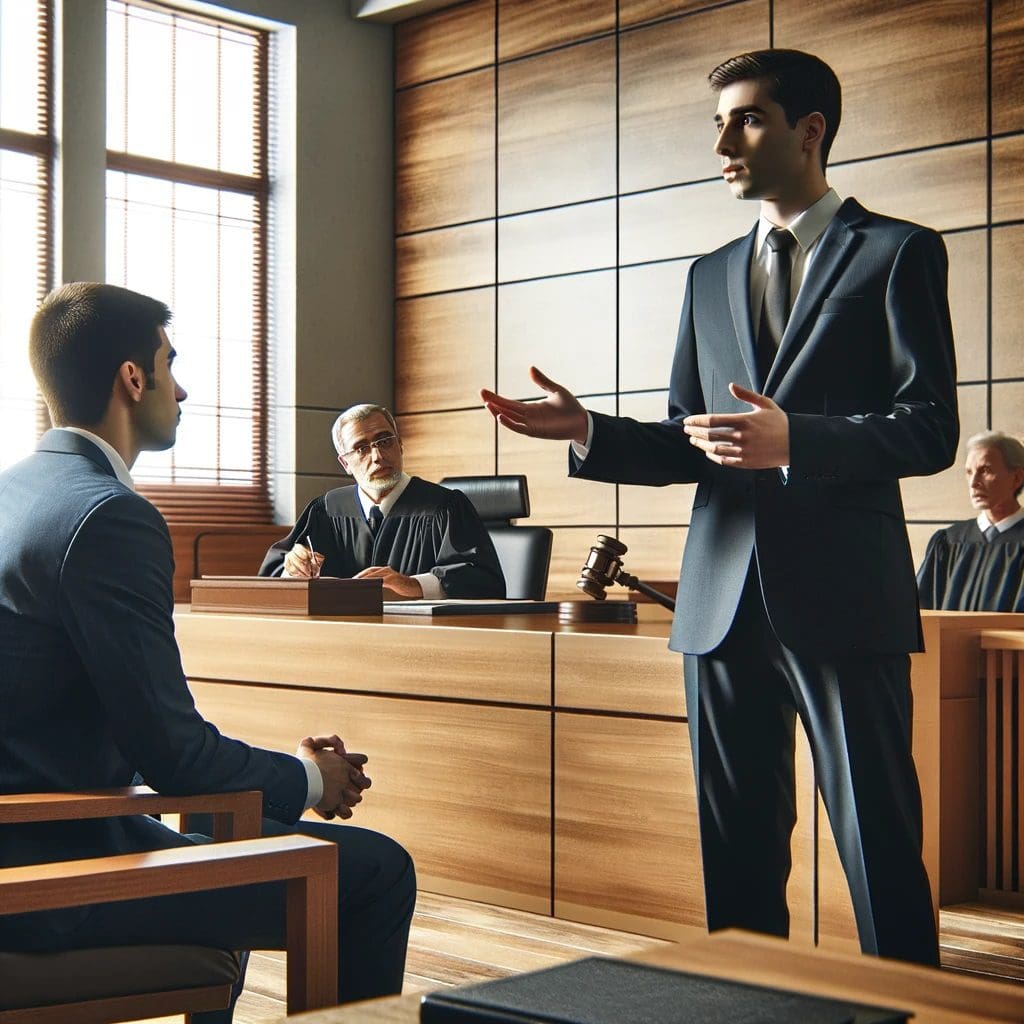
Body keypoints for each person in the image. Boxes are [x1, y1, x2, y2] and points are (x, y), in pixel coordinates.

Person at [481, 49, 958, 967]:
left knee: (878, 836)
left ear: (810, 130)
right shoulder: (706, 275)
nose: (721, 144)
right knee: (734, 845)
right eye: (719, 123)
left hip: (844, 598)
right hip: (719, 599)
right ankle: (742, 1000)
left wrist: (800, 441)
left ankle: (917, 1003)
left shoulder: (899, 252)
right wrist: (588, 431)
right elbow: (685, 439)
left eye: (744, 120)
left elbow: (929, 428)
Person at [0, 283, 416, 1018]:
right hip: (49, 879)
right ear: (134, 378)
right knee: (379, 870)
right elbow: (175, 758)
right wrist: (314, 780)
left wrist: (279, 773)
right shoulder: (109, 517)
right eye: (170, 362)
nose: (182, 387)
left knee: (226, 821)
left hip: (38, 825)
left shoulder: (15, 494)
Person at [259, 403, 505, 599]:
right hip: (341, 642)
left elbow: (484, 581)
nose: (377, 456)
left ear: (400, 445)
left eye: (385, 441)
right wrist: (292, 570)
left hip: (422, 644)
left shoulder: (445, 506)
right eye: (361, 448)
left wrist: (412, 585)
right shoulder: (326, 510)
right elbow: (271, 578)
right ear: (345, 463)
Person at [918, 431, 1024, 611]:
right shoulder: (948, 542)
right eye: (969, 472)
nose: (974, 482)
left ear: (1017, 478)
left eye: (985, 470)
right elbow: (922, 611)